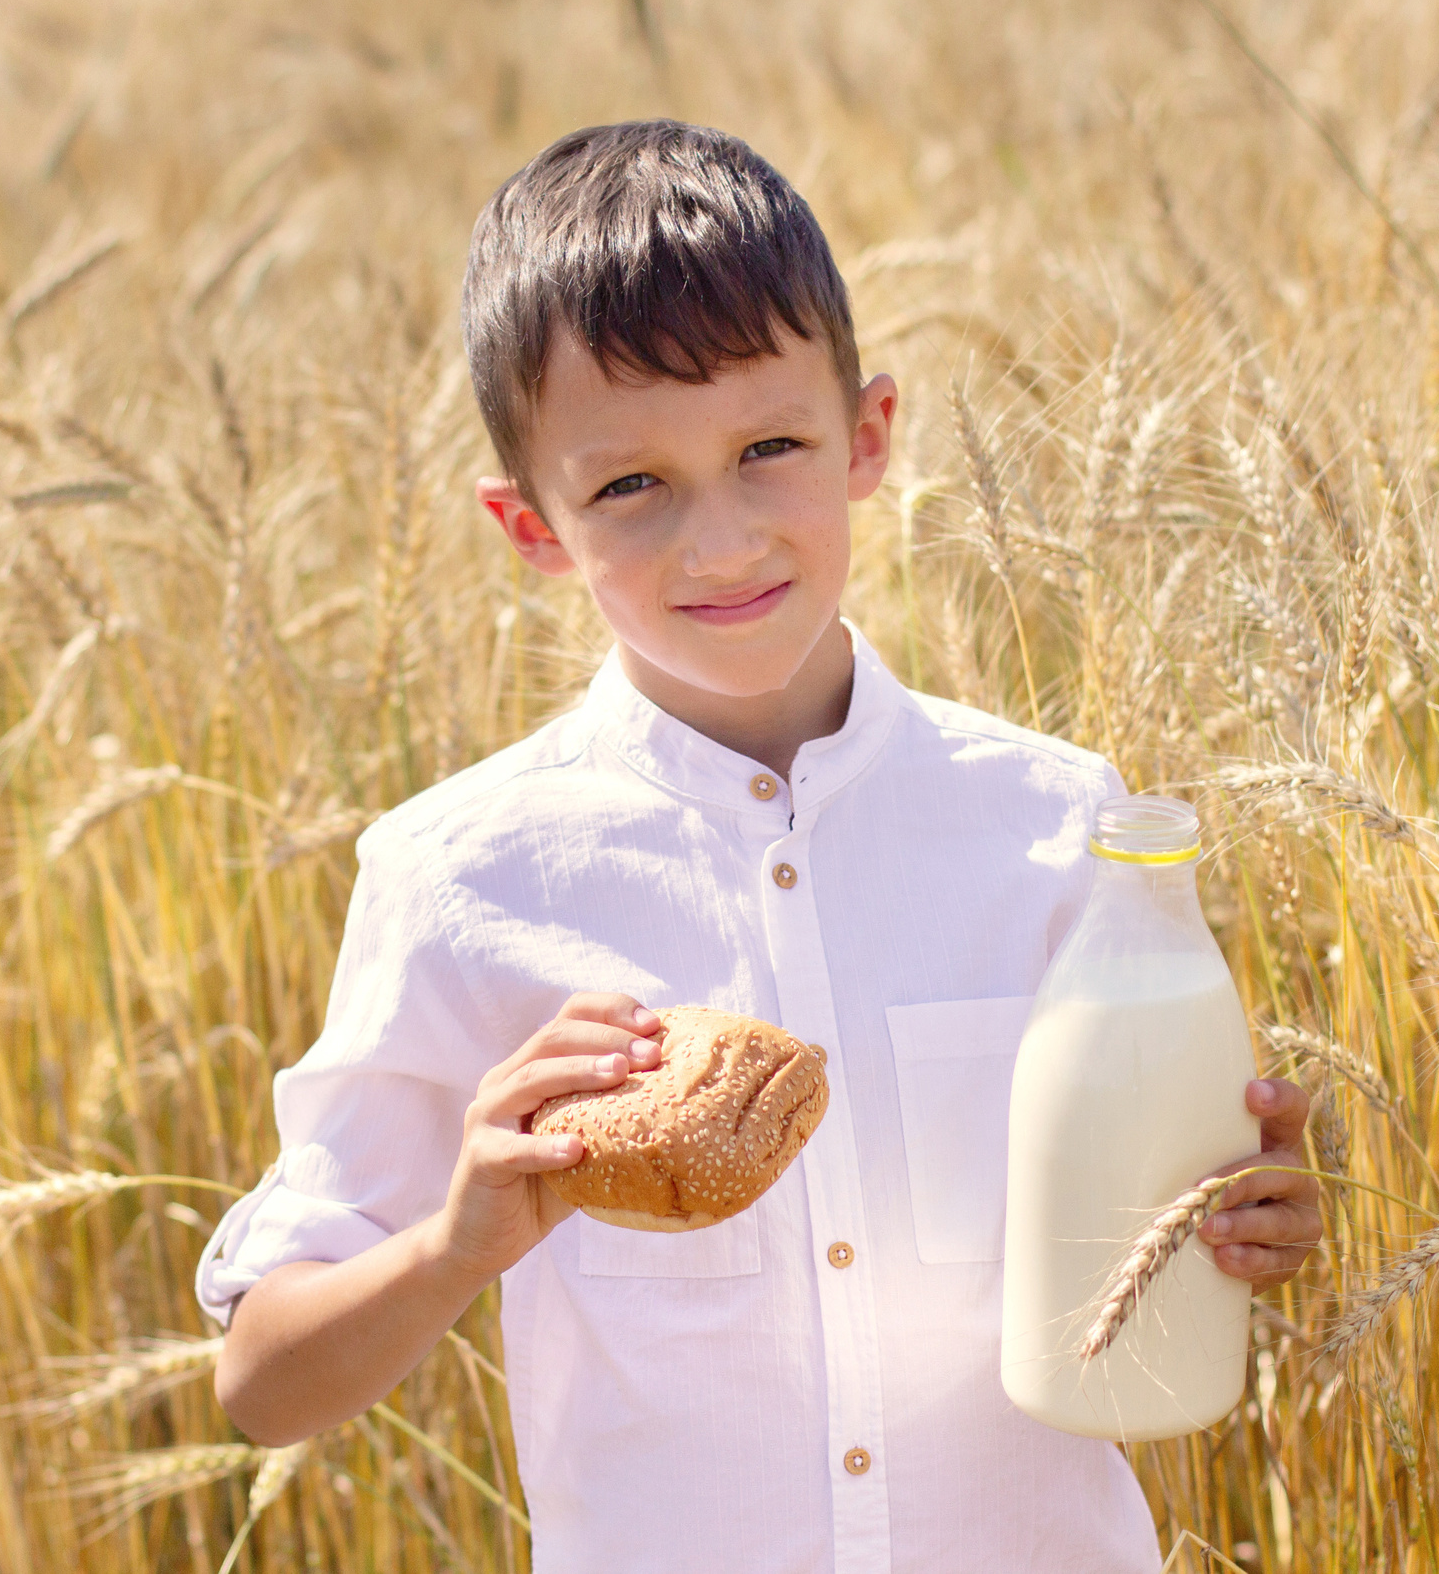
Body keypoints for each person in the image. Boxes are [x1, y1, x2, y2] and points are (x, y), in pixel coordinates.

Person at [199, 119, 1324, 1572]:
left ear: (869, 436)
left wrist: (1242, 1226)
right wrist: (453, 1246)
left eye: (767, 449)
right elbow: (265, 1385)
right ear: (529, 526)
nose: (719, 540)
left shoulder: (1059, 826)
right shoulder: (460, 879)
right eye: (630, 486)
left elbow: (1158, 1235)